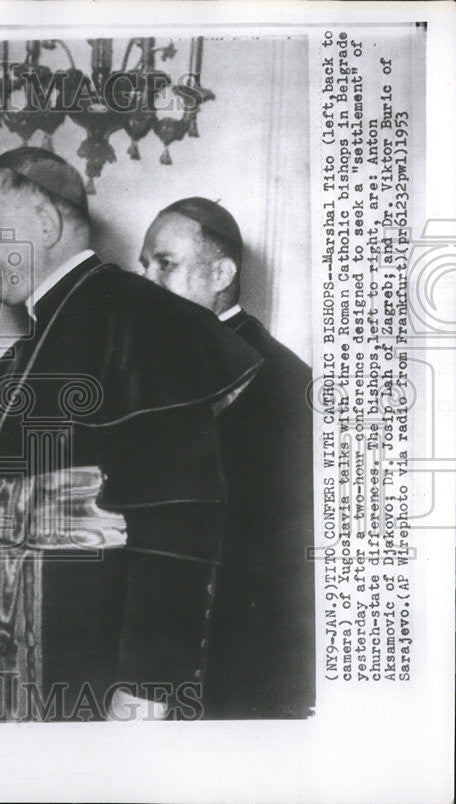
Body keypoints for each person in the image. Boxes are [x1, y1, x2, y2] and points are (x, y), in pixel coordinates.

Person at [0, 147, 265, 722]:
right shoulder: (32, 344)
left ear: (47, 222)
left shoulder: (146, 322)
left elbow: (179, 520)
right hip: (6, 660)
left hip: (90, 668)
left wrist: (150, 685)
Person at [138, 197, 315, 718]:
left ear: (221, 273)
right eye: (142, 264)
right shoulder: (149, 363)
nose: (144, 279)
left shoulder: (284, 382)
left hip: (236, 668)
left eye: (163, 264)